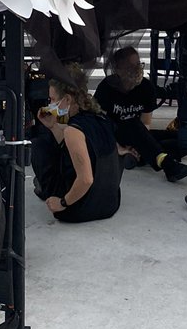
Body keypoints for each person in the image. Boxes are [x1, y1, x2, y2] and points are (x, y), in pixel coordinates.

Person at [29, 63, 121, 223]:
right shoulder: (101, 118)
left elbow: (86, 179)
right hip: (110, 203)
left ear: (67, 99)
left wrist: (62, 203)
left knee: (39, 145)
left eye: (52, 99)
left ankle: (50, 192)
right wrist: (52, 126)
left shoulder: (73, 130)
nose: (50, 104)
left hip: (78, 209)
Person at [93, 47, 187, 181]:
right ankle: (167, 164)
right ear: (118, 69)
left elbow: (146, 123)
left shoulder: (146, 87)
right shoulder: (106, 88)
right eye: (130, 67)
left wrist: (138, 145)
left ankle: (139, 157)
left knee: (183, 140)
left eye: (138, 64)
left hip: (138, 132)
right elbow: (99, 125)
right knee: (132, 123)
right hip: (113, 135)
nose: (136, 70)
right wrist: (118, 148)